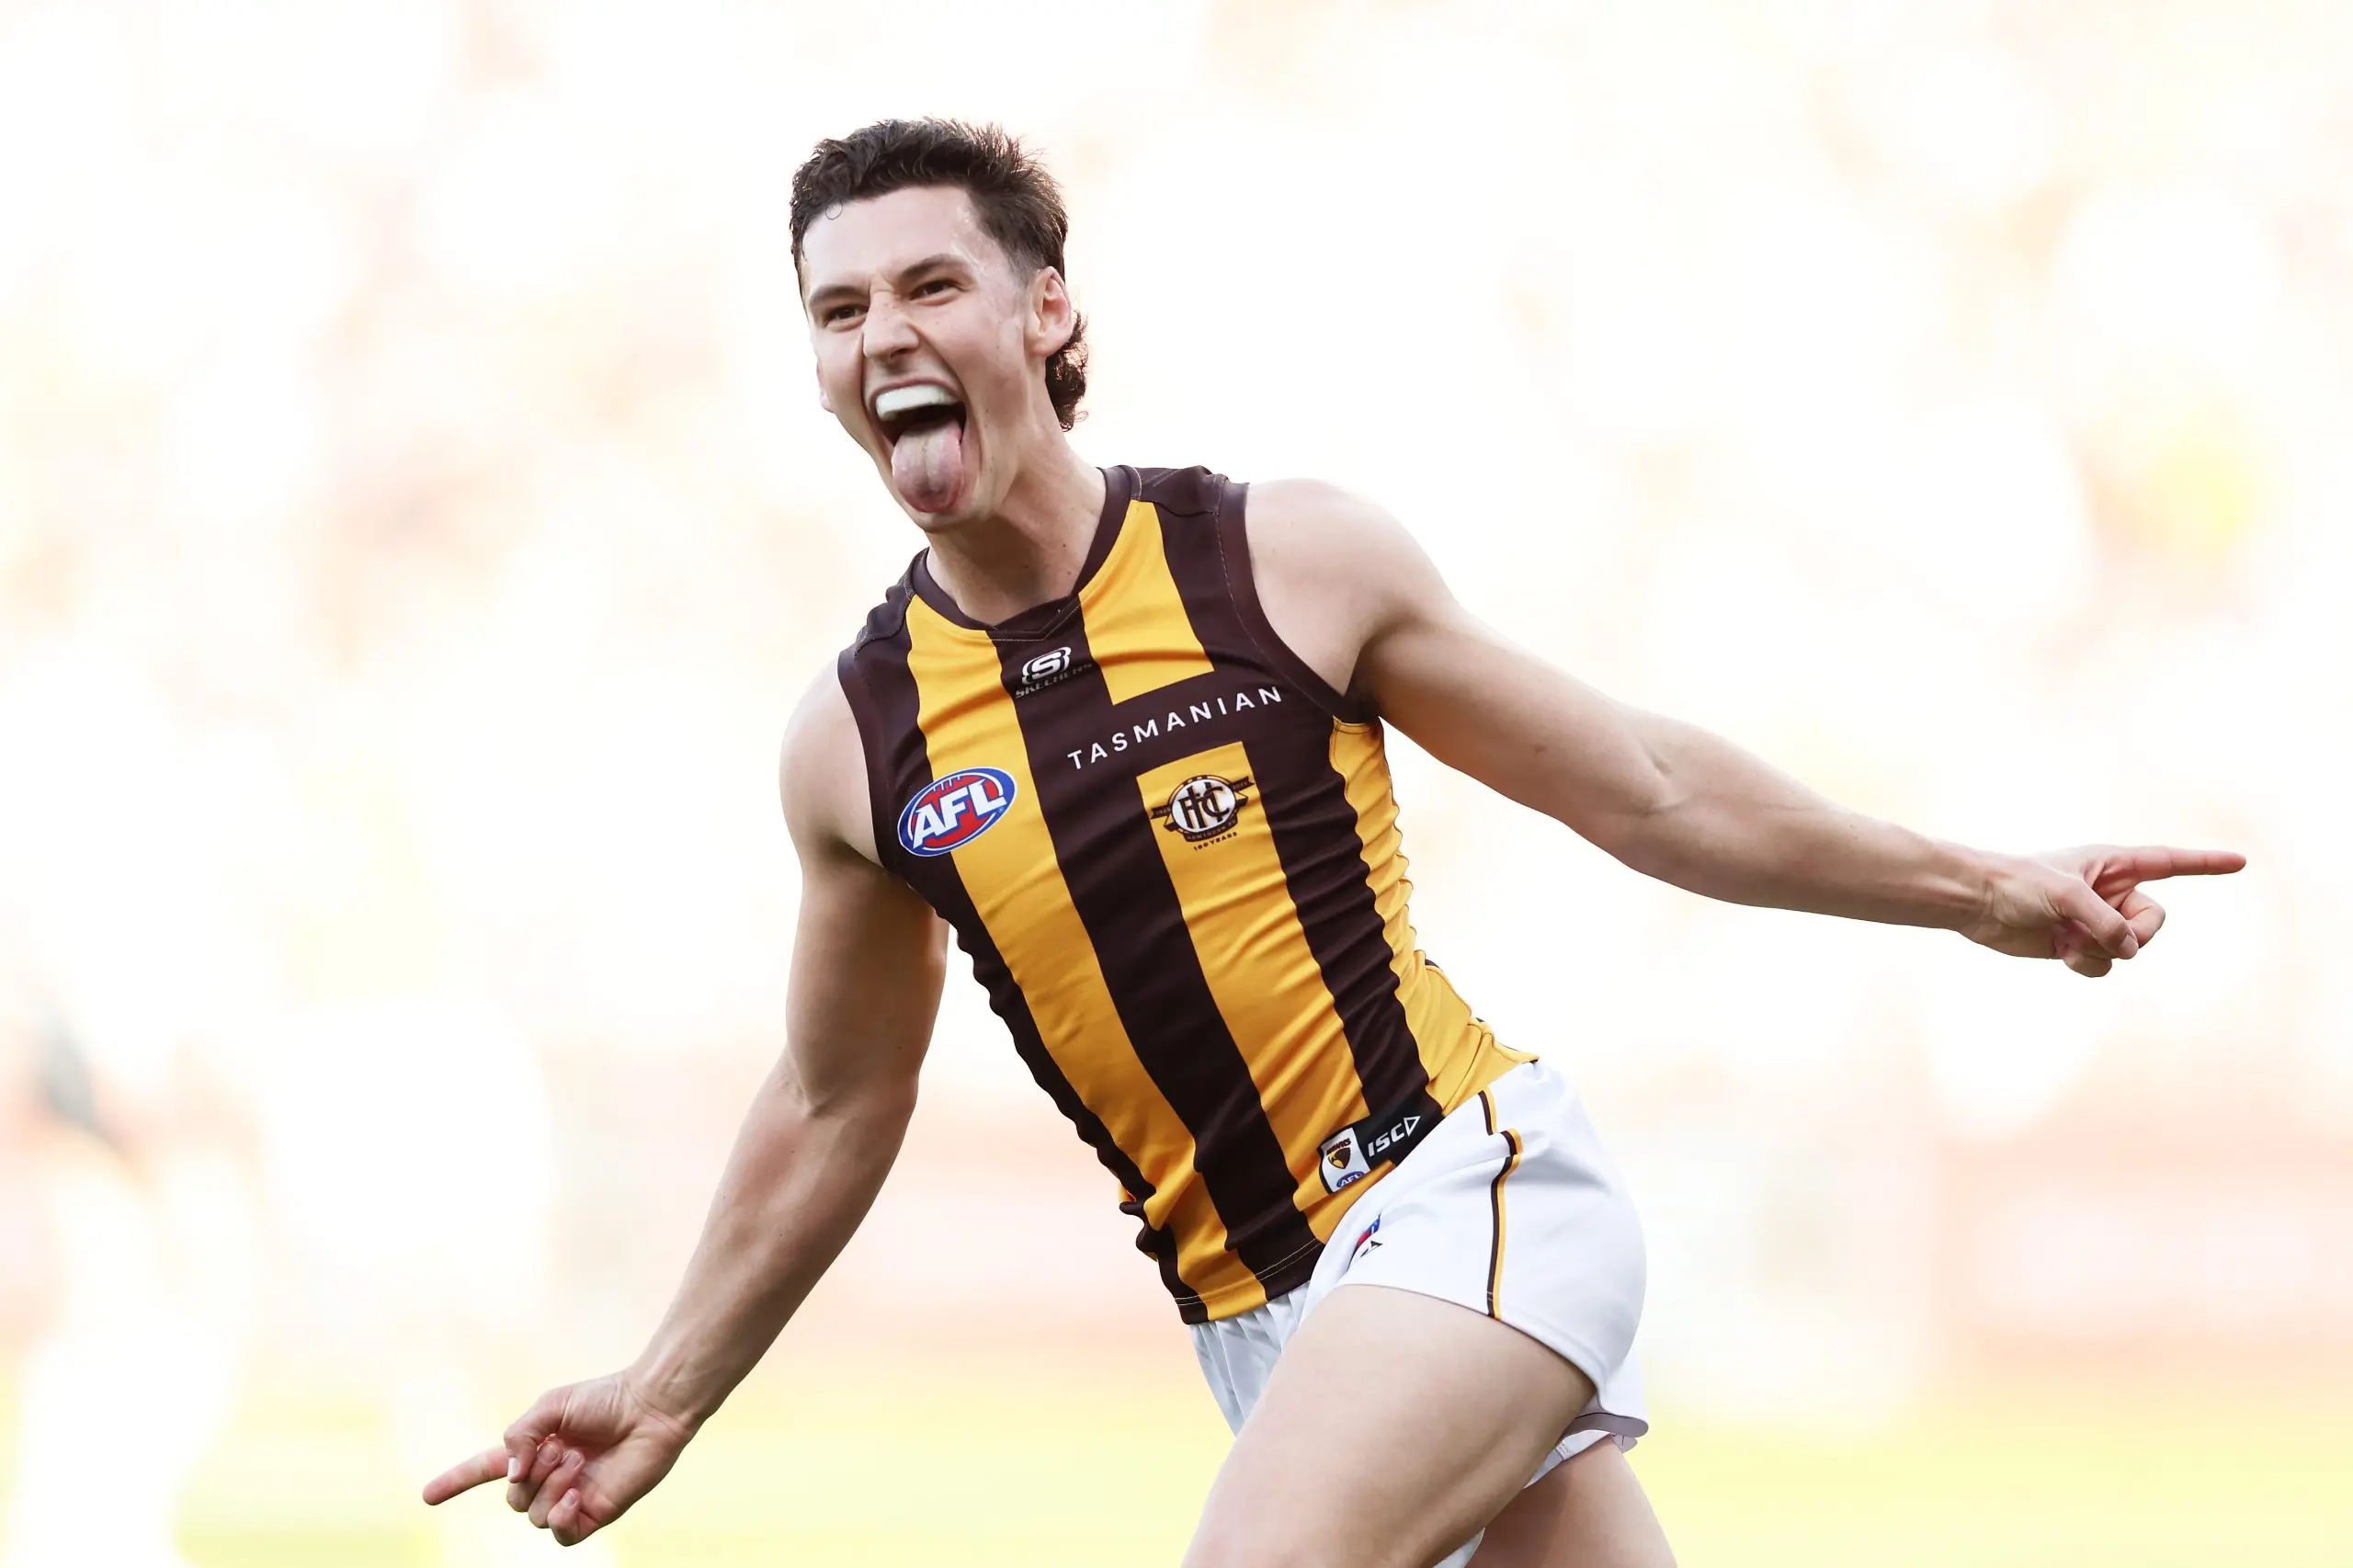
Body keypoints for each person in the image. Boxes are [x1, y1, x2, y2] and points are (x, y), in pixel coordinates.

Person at [422, 119, 2243, 1567]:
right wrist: (665, 1389)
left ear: (1046, 312)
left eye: (928, 285)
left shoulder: (1272, 561)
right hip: (1264, 1325)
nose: (881, 334)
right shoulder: (857, 740)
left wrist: (1981, 891)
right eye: (836, 312)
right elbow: (833, 1104)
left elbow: (1644, 789)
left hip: (1464, 1194)